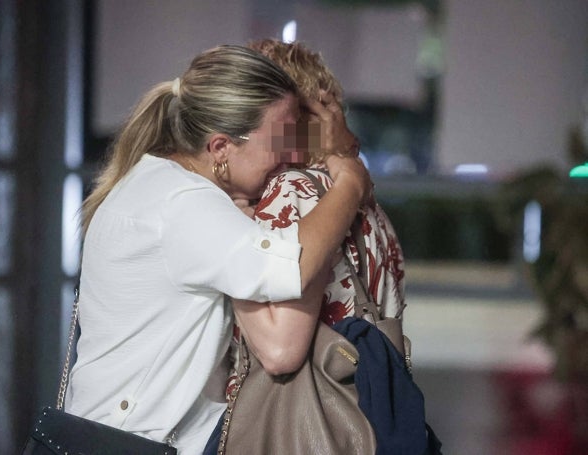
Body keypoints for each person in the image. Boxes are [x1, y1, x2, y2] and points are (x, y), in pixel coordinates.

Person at [64, 44, 370, 455]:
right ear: (221, 147)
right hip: (138, 440)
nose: (288, 154)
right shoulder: (184, 204)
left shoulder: (157, 183)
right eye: (277, 139)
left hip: (123, 431)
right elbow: (292, 266)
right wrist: (348, 178)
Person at [224, 39, 407, 400]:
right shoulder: (365, 201)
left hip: (291, 423)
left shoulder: (290, 191)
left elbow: (279, 351)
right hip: (366, 416)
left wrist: (228, 241)